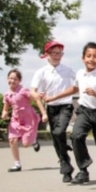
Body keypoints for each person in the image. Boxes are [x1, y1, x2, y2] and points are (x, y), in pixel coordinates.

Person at [45, 42, 96, 184]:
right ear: (83, 58)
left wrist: (95, 93)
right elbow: (74, 89)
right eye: (88, 56)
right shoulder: (80, 73)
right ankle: (83, 170)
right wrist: (54, 97)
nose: (92, 59)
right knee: (76, 136)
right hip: (84, 111)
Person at [30, 41, 76, 183]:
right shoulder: (41, 72)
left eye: (59, 53)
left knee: (58, 132)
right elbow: (33, 90)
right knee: (56, 138)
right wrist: (36, 95)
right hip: (51, 107)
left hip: (66, 105)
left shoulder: (68, 70)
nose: (57, 56)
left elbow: (78, 83)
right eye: (54, 53)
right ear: (47, 55)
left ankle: (64, 151)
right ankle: (65, 165)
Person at [2, 69, 48, 172]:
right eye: (10, 78)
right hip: (16, 120)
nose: (12, 81)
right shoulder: (6, 94)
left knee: (26, 144)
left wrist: (44, 113)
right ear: (7, 79)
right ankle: (17, 164)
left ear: (19, 81)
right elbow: (5, 108)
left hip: (28, 119)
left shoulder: (24, 91)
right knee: (12, 140)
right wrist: (4, 113)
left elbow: (36, 99)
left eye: (15, 79)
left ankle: (34, 141)